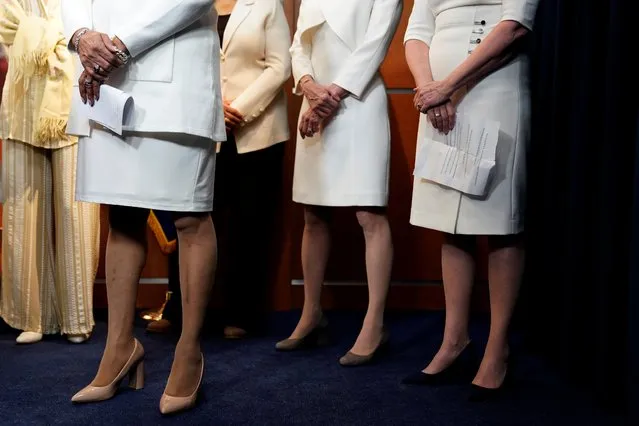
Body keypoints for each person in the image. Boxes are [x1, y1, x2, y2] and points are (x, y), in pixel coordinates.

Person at [61, 0, 225, 415]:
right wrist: (81, 36)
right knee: (122, 216)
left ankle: (189, 350)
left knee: (189, 216)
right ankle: (119, 346)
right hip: (103, 79)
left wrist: (119, 46)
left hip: (174, 74)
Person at [401, 0, 538, 400]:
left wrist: (448, 85)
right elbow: (416, 32)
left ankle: (497, 349)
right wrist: (431, 89)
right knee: (451, 221)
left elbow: (515, 26)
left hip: (496, 85)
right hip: (438, 99)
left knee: (499, 221)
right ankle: (454, 341)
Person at [276, 0, 402, 366]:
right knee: (313, 214)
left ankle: (374, 323)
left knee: (369, 214)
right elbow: (299, 43)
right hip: (315, 101)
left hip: (358, 103)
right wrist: (309, 87)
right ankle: (311, 313)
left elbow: (375, 44)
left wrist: (328, 98)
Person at [0, 0, 100, 345]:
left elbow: (94, 26)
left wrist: (55, 34)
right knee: (23, 209)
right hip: (23, 91)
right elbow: (5, 24)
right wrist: (52, 35)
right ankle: (33, 315)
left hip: (74, 89)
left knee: (77, 209)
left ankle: (77, 316)